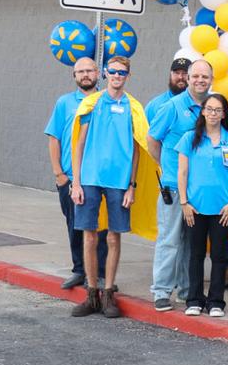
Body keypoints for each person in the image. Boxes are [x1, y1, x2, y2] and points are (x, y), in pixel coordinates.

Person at [69, 55, 157, 319]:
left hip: (119, 182)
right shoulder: (91, 104)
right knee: (89, 234)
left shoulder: (133, 108)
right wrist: (76, 181)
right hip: (90, 179)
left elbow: (138, 150)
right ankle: (91, 292)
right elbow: (79, 144)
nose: (117, 76)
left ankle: (109, 293)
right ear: (105, 73)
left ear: (128, 76)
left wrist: (132, 186)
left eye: (122, 72)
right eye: (113, 71)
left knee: (114, 236)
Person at [146, 58, 213, 311]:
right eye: (195, 76)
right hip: (174, 187)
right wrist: (166, 166)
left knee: (190, 243)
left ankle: (186, 291)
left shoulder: (211, 107)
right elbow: (153, 140)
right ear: (188, 78)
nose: (199, 80)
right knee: (170, 240)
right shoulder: (173, 106)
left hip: (198, 188)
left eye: (204, 77)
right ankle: (161, 291)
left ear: (211, 80)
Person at [177, 93, 228, 317]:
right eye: (210, 109)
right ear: (203, 111)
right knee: (195, 254)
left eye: (218, 110)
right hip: (194, 208)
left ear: (224, 113)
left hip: (222, 209)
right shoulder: (190, 138)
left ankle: (216, 301)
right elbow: (183, 172)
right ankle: (194, 299)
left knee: (219, 256)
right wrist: (184, 202)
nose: (214, 113)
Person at [45, 56, 106, 290]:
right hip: (71, 178)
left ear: (98, 73)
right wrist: (59, 174)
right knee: (75, 225)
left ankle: (100, 274)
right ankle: (79, 270)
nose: (85, 75)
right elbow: (54, 137)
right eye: (80, 72)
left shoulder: (106, 101)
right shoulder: (65, 103)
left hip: (99, 177)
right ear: (74, 76)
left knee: (101, 227)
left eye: (89, 70)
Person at [145, 50, 190, 124]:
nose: (180, 77)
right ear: (170, 74)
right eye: (177, 73)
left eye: (185, 73)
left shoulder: (198, 103)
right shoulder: (155, 104)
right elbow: (145, 132)